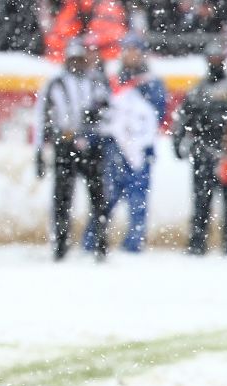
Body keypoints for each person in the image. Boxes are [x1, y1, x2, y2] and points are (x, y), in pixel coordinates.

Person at [83, 34, 167, 254]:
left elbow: (155, 116)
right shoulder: (112, 80)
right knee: (105, 198)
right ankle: (93, 242)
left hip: (140, 148)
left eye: (134, 50)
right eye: (126, 50)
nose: (130, 54)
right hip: (115, 148)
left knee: (138, 202)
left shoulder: (152, 83)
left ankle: (133, 245)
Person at [34, 39, 111, 260]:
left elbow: (109, 111)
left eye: (80, 59)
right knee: (62, 198)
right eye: (73, 59)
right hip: (64, 145)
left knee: (98, 197)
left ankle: (100, 243)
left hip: (91, 146)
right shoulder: (55, 84)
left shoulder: (96, 82)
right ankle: (60, 244)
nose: (77, 63)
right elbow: (42, 118)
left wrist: (96, 116)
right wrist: (39, 151)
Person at [170, 42, 227, 255]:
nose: (215, 62)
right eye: (212, 58)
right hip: (204, 152)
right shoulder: (197, 90)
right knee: (201, 202)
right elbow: (183, 118)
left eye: (218, 58)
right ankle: (197, 243)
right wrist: (178, 142)